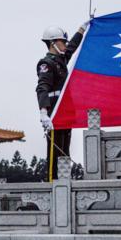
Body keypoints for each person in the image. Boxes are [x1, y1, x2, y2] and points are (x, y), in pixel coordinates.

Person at [35, 22, 88, 181]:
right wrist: (44, 112)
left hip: (66, 111)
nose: (65, 44)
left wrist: (82, 29)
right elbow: (42, 87)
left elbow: (72, 46)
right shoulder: (46, 63)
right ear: (53, 44)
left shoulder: (61, 60)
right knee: (55, 152)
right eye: (61, 42)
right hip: (54, 112)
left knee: (65, 151)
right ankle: (53, 183)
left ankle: (64, 182)